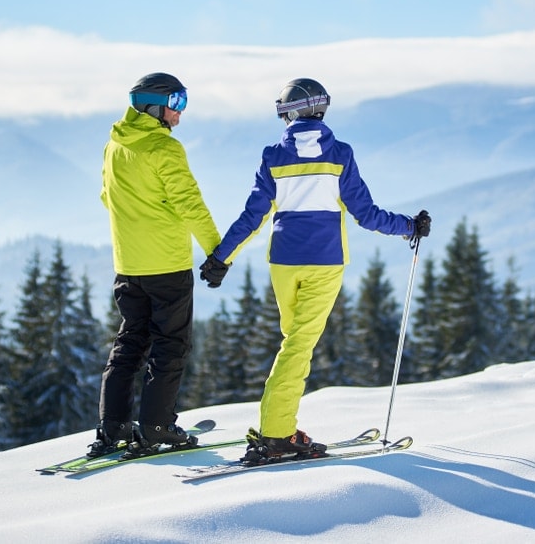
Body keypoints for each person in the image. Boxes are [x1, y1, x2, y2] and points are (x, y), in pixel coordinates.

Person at [199, 77, 431, 464]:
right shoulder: (339, 154)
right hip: (325, 262)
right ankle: (277, 433)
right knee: (298, 346)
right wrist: (409, 226)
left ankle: (276, 425)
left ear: (288, 114)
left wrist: (222, 257)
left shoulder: (273, 156)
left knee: (293, 343)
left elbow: (253, 216)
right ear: (321, 110)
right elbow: (366, 214)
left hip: (283, 264)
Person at [88, 72, 224, 458]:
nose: (180, 113)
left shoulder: (115, 145)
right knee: (170, 345)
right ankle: (156, 426)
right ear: (153, 106)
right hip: (166, 264)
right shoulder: (165, 149)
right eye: (176, 103)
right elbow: (189, 203)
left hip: (128, 264)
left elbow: (107, 197)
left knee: (130, 342)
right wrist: (217, 252)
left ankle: (113, 426)